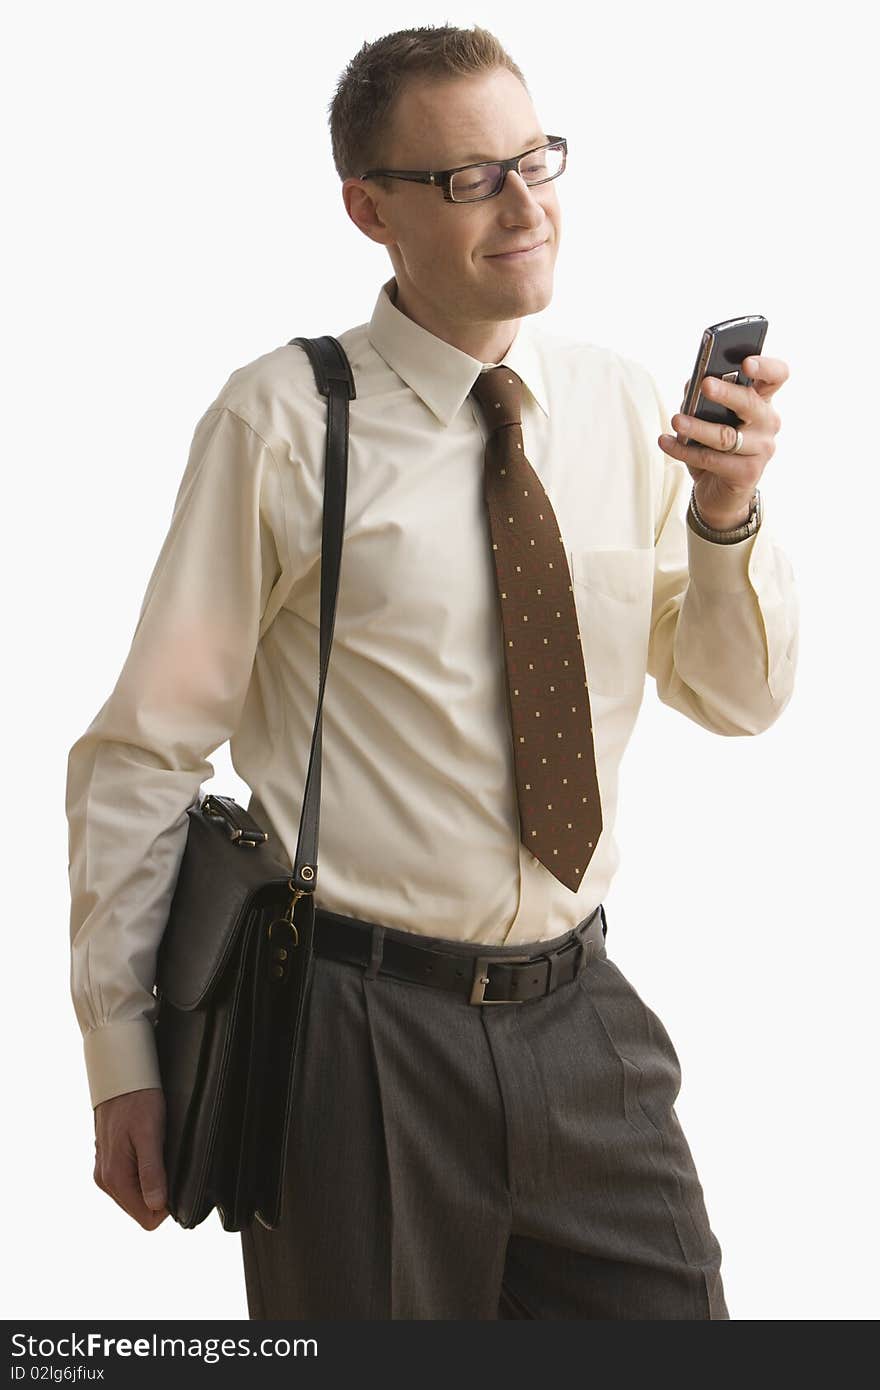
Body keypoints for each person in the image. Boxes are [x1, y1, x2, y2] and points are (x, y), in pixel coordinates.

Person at [66, 23, 799, 1320]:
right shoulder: (287, 422)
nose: (525, 205)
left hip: (585, 1014)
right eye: (469, 178)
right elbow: (145, 750)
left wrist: (728, 515)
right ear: (369, 209)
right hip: (357, 1038)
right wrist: (122, 1051)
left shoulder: (624, 408)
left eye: (536, 159)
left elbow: (735, 696)